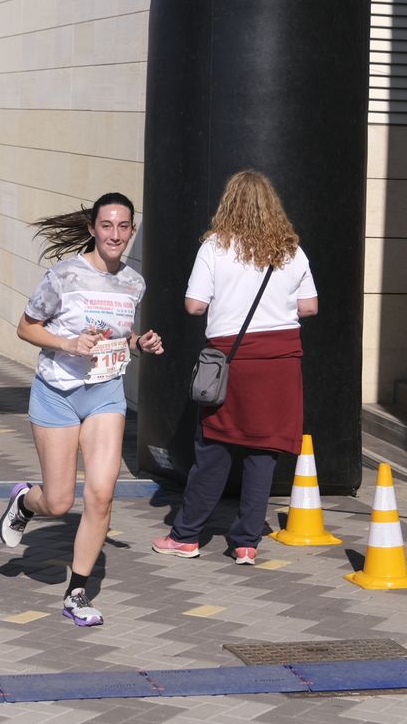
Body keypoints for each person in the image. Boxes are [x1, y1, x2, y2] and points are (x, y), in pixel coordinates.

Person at [0, 192, 164, 627]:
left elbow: (118, 336)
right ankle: (25, 503)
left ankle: (77, 592)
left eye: (123, 226)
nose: (114, 234)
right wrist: (68, 344)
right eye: (106, 225)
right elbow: (26, 327)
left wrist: (138, 343)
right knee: (58, 501)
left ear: (131, 230)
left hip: (105, 393)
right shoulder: (64, 275)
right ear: (92, 228)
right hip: (57, 393)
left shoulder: (133, 283)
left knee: (101, 493)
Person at [151, 170, 317, 567]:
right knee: (264, 452)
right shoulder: (291, 250)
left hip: (233, 359)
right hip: (280, 364)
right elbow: (310, 307)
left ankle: (187, 536)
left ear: (229, 204)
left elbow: (195, 305)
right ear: (272, 205)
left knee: (214, 449)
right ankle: (245, 543)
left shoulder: (214, 247)